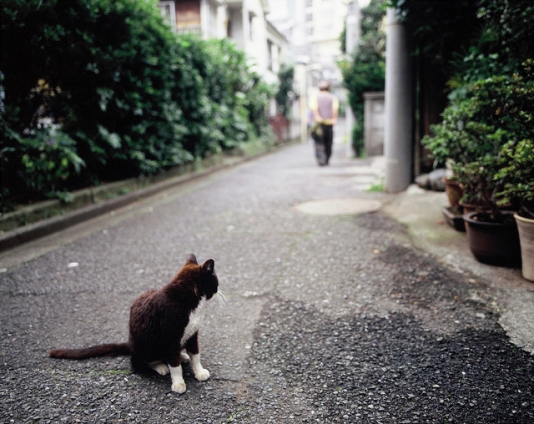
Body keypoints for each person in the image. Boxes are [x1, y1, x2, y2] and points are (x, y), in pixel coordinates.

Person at [309, 80, 339, 166]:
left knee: (318, 143)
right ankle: (326, 159)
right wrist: (333, 119)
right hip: (329, 124)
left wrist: (318, 117)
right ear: (329, 88)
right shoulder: (333, 97)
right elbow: (335, 109)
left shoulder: (315, 97)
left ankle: (321, 160)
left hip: (318, 124)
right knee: (328, 143)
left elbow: (314, 109)